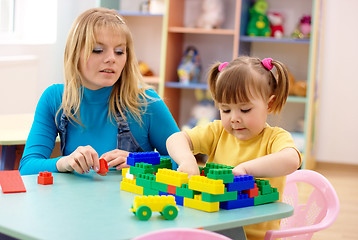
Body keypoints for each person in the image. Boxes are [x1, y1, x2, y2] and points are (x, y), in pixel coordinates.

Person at [19, 7, 179, 176]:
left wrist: (139, 162)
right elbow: (27, 167)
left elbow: (183, 162)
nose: (111, 58)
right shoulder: (55, 98)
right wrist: (64, 162)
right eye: (97, 50)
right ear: (75, 53)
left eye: (119, 51)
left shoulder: (147, 102)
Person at [166, 56, 301, 239]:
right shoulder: (218, 131)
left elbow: (292, 160)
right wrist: (187, 159)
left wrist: (247, 169)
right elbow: (175, 139)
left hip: (254, 236)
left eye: (244, 110)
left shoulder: (274, 138)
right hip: (213, 229)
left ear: (268, 105)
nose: (234, 118)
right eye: (226, 110)